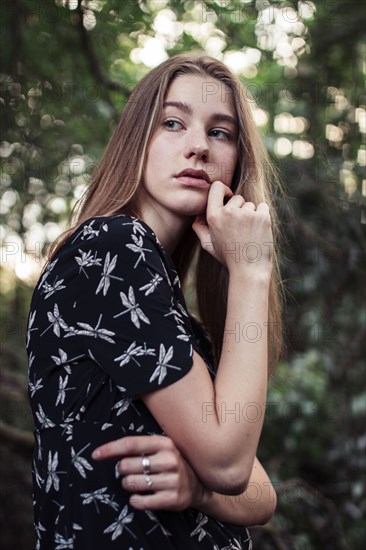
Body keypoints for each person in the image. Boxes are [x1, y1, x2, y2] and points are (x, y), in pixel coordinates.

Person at [26, 52, 283, 549]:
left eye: (220, 132)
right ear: (136, 140)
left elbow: (263, 495)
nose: (198, 148)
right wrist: (251, 270)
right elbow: (230, 466)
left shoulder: (166, 310)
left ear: (235, 161)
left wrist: (197, 489)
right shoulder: (112, 248)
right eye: (172, 122)